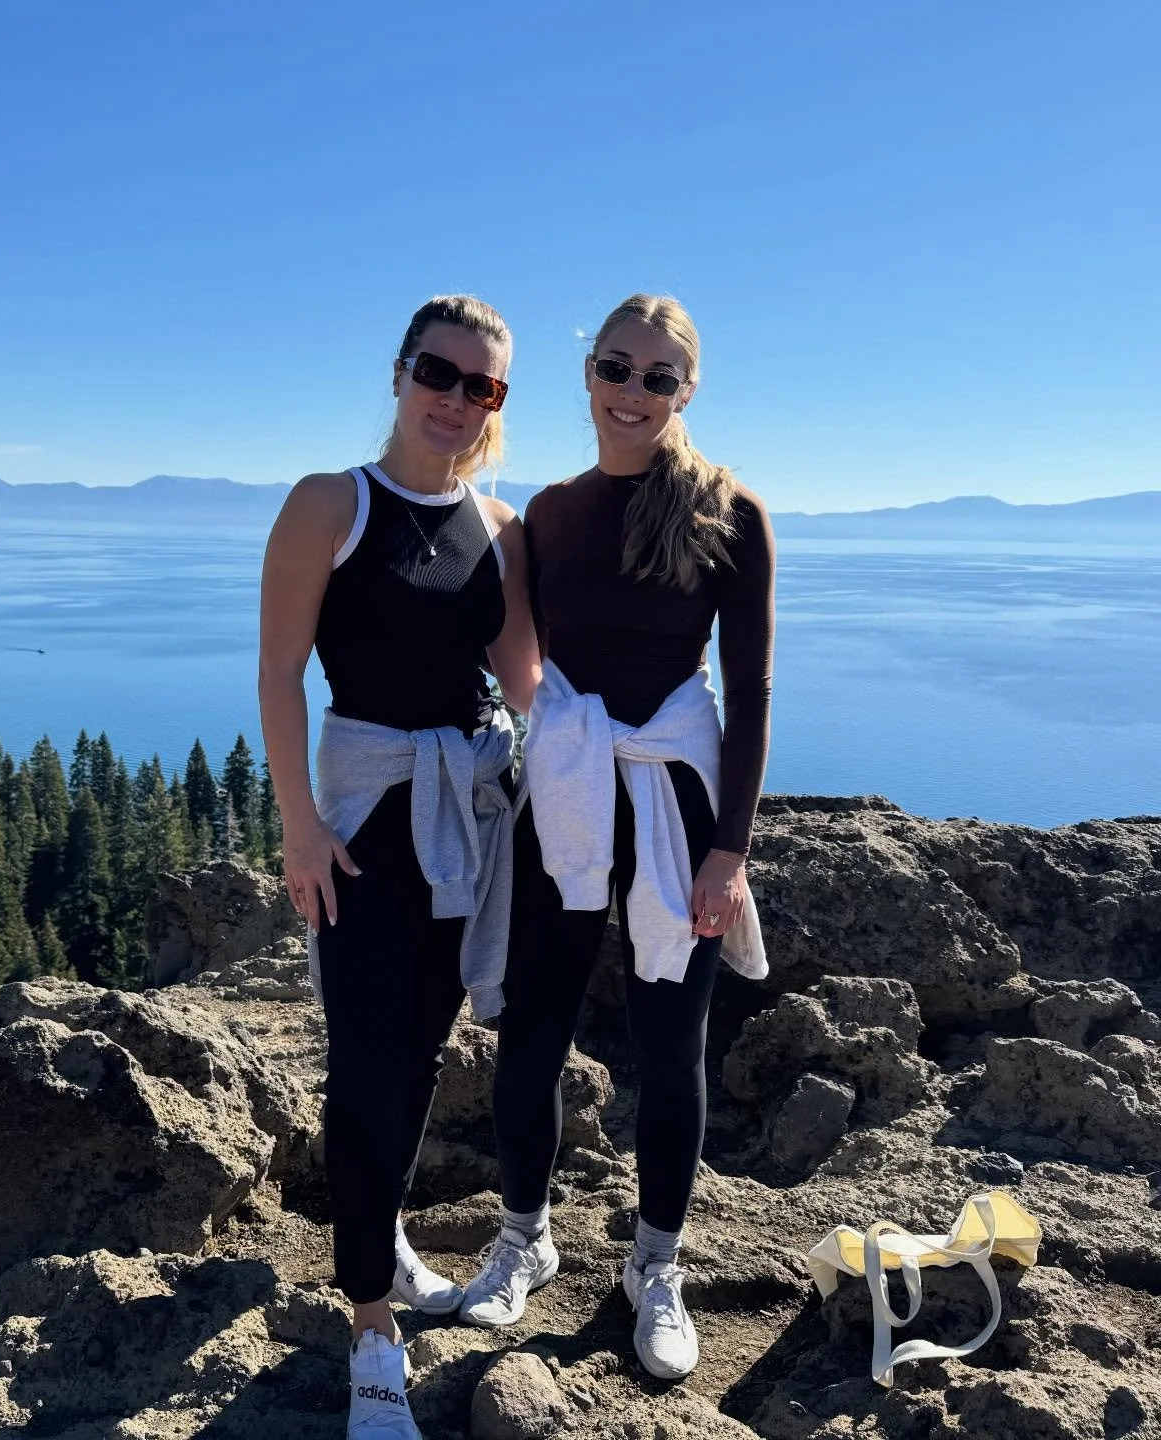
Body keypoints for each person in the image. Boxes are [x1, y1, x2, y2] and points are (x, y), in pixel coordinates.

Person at [459, 293, 774, 1382]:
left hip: (674, 804)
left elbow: (751, 692)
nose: (632, 392)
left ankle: (657, 1266)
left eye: (657, 377)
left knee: (671, 1046)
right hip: (567, 792)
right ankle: (524, 1240)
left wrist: (729, 850)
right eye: (615, 367)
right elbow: (512, 652)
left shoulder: (729, 512)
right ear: (587, 373)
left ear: (687, 391)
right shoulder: (549, 514)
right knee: (530, 1032)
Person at [259, 295, 541, 1438]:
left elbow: (528, 683)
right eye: (440, 371)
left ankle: (382, 1241)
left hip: (466, 819)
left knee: (422, 1054)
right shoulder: (332, 503)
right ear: (399, 371)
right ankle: (372, 1330)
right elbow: (280, 673)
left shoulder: (498, 525)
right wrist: (299, 826)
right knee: (366, 1066)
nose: (456, 398)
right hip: (368, 821)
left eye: (483, 385)